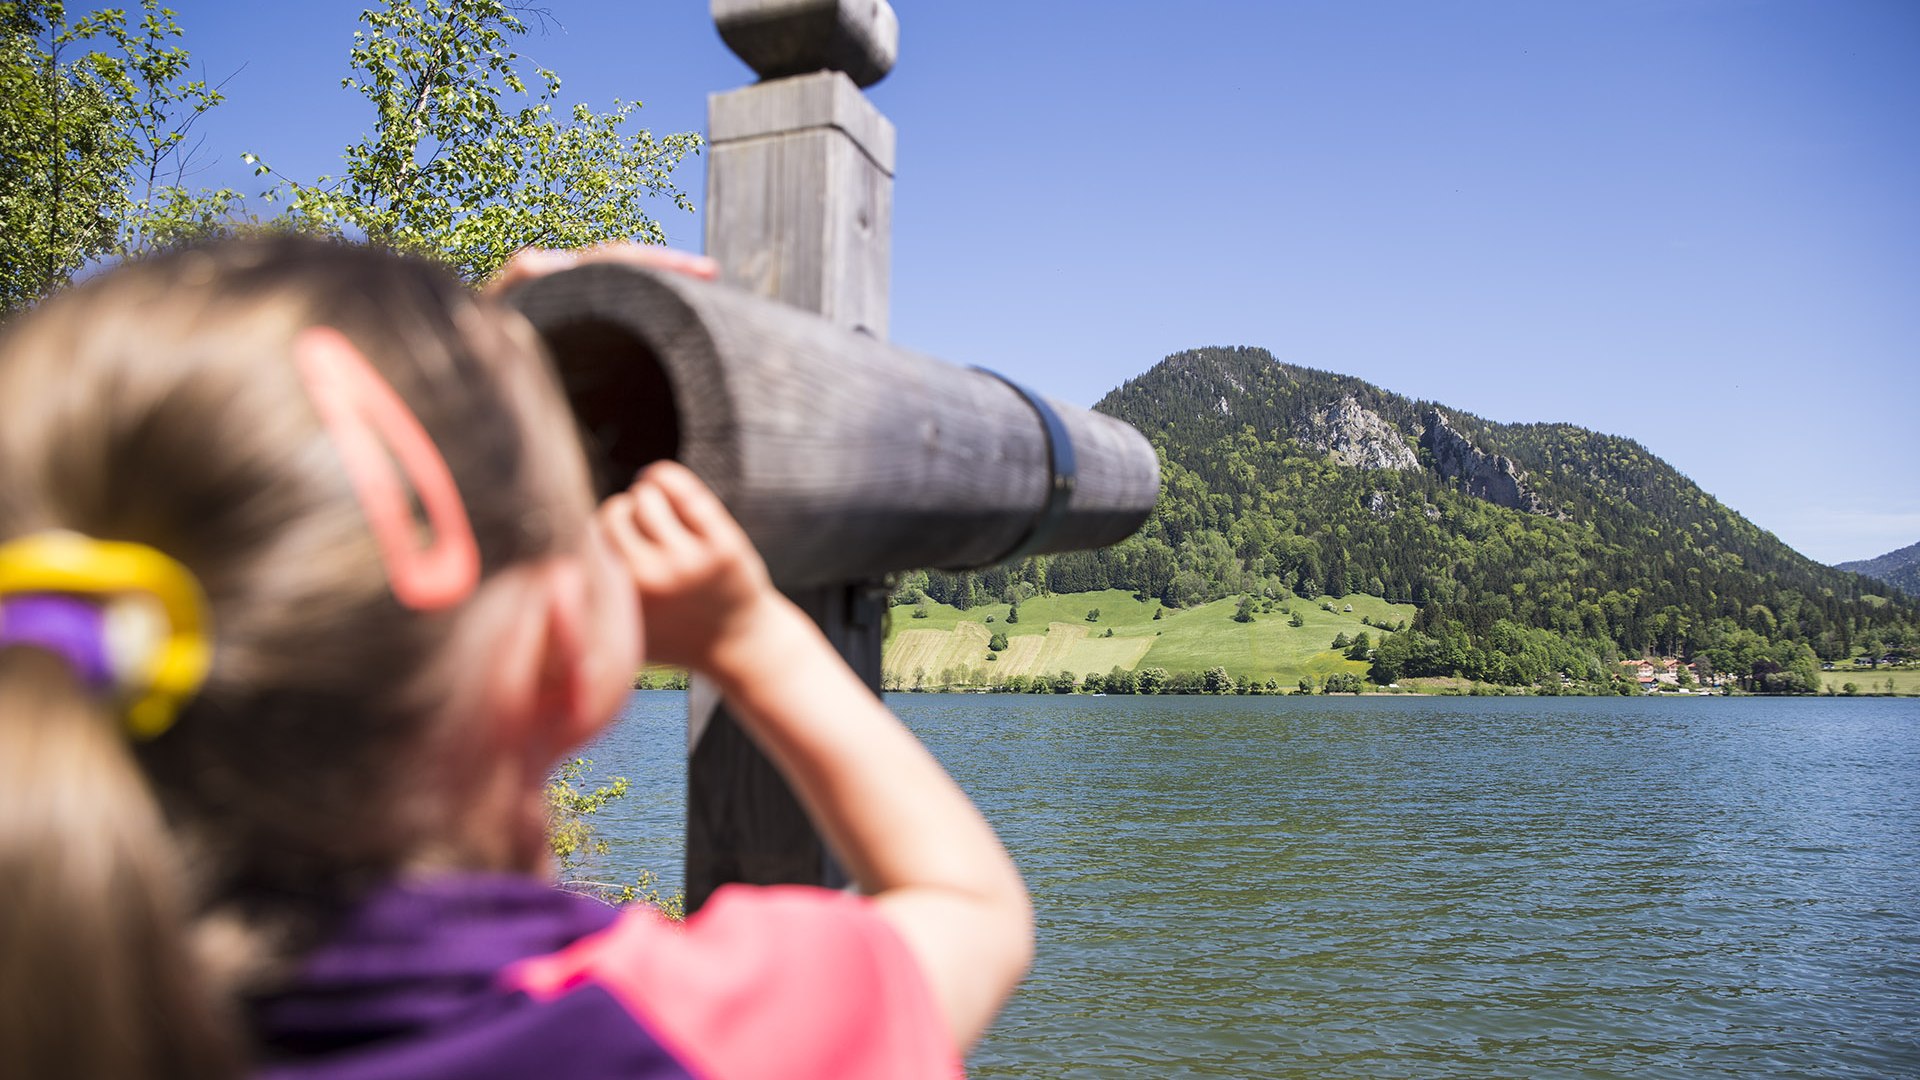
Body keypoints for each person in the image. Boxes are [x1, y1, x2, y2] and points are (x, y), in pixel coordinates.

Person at [0, 237, 1032, 1079]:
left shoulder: (63, 970)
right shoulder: (658, 1038)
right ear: (556, 651)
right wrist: (749, 636)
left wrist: (463, 395)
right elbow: (970, 910)